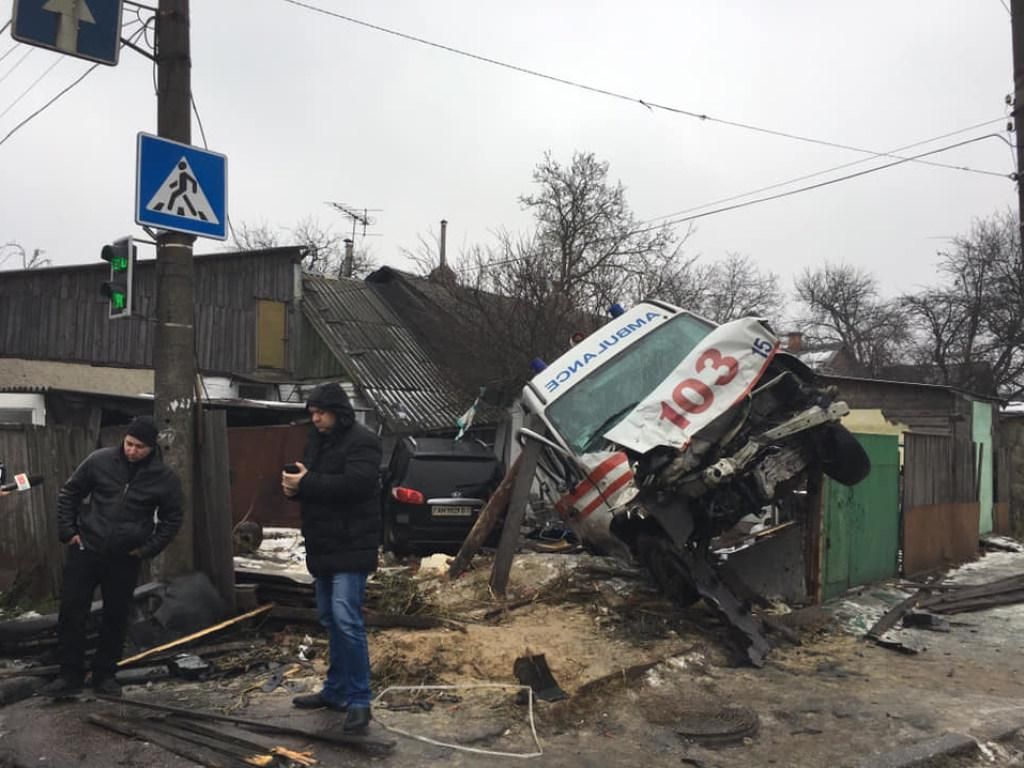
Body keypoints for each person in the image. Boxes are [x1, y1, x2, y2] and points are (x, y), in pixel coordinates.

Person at [39, 416, 183, 698]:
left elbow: (172, 519)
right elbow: (70, 493)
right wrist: (68, 531)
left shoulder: (164, 478)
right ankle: (69, 676)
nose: (132, 451)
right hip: (86, 548)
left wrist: (146, 550)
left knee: (115, 616)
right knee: (72, 612)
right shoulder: (100, 461)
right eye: (129, 444)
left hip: (124, 557)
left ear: (152, 448)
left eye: (139, 447)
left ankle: (105, 675)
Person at [282, 382, 382, 734]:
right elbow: (315, 485)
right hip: (323, 544)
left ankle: (360, 701)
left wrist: (306, 483)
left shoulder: (363, 441)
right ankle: (336, 691)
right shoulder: (317, 441)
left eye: (321, 412)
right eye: (312, 413)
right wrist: (294, 489)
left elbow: (357, 484)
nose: (315, 418)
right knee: (330, 618)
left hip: (352, 543)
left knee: (346, 619)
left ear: (339, 412)